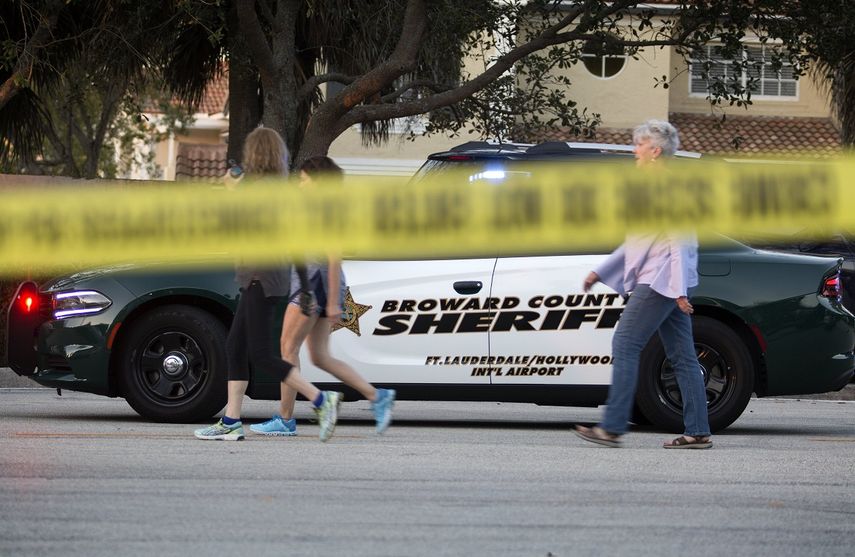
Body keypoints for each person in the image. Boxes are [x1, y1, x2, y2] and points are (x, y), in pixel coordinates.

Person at [194, 129, 343, 442]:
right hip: (262, 276)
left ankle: (320, 399)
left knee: (261, 355)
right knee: (236, 346)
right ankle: (231, 420)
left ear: (255, 153)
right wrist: (303, 287)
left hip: (263, 276)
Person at [573, 119, 712, 449]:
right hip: (665, 283)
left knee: (625, 343)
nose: (634, 150)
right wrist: (600, 271)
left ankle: (612, 426)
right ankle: (698, 431)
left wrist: (678, 290)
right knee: (682, 356)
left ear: (655, 151)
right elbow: (637, 241)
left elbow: (679, 242)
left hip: (661, 282)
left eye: (639, 145)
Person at [250, 156, 396, 437]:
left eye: (304, 180)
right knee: (320, 356)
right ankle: (377, 397)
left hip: (314, 286)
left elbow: (332, 256)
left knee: (287, 349)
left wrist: (330, 302)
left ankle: (287, 418)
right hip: (317, 285)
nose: (300, 184)